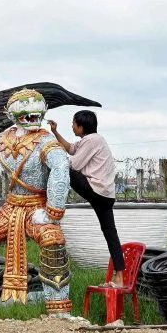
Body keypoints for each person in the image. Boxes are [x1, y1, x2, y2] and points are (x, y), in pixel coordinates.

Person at [48, 110, 127, 288]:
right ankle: (119, 277)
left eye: (74, 123)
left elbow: (74, 164)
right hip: (106, 195)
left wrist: (51, 158)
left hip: (96, 191)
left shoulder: (92, 141)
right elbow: (71, 148)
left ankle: (52, 202)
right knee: (110, 234)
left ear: (81, 126)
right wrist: (55, 132)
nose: (72, 126)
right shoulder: (91, 140)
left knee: (64, 168)